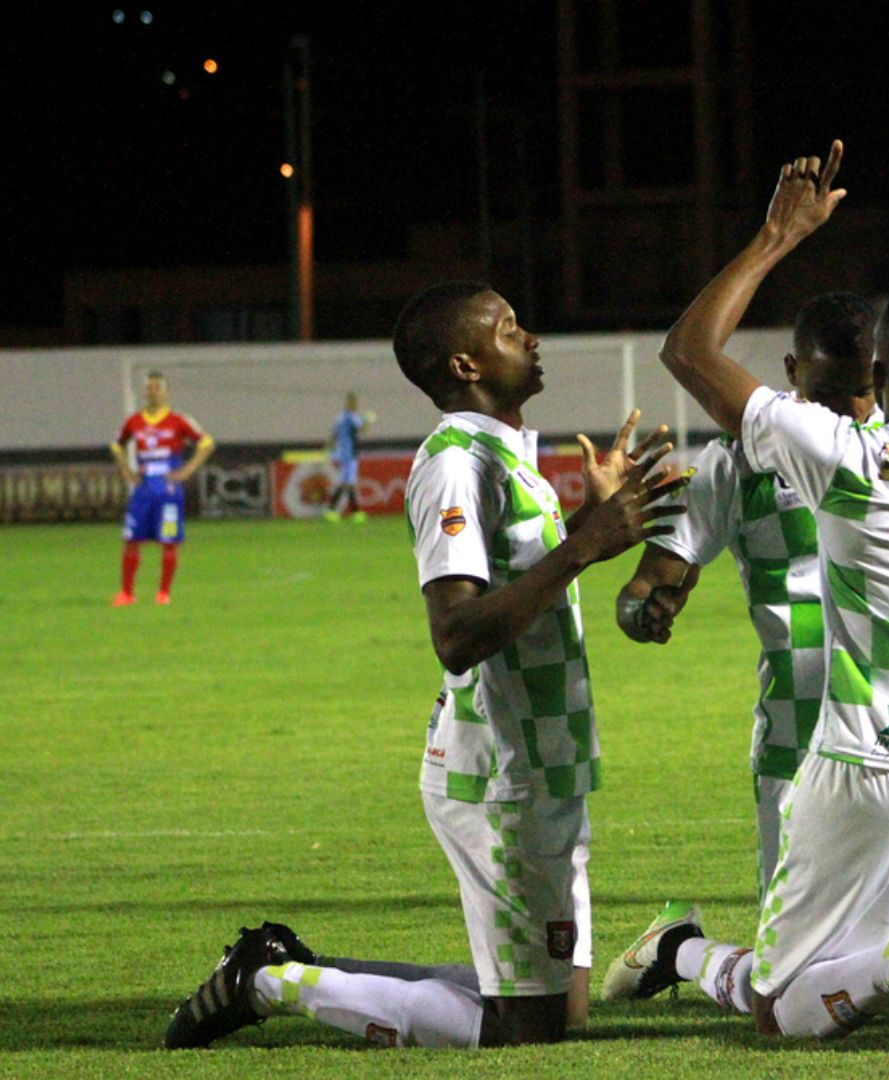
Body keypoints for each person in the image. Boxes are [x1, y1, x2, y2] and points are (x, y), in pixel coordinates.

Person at [604, 137, 889, 1050]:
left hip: (859, 758)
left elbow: (688, 350)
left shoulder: (843, 460)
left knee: (787, 1001)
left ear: (881, 381)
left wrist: (779, 235)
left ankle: (723, 954)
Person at [162, 281, 685, 1050]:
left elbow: (517, 584)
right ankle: (266, 981)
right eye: (510, 329)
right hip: (501, 768)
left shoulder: (504, 453)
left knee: (559, 1009)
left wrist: (584, 522)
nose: (531, 337)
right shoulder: (452, 462)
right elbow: (457, 631)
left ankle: (289, 965)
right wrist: (585, 544)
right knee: (525, 1032)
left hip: (541, 756)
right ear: (468, 362)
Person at [609, 291, 880, 906]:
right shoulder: (739, 463)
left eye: (860, 391)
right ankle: (678, 951)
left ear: (882, 375)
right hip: (797, 738)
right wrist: (644, 609)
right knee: (789, 965)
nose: (847, 410)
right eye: (829, 392)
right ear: (791, 373)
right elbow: (650, 581)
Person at [110, 371, 214, 606]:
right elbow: (116, 445)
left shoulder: (179, 420)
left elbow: (206, 444)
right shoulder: (134, 421)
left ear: (166, 392)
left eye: (158, 387)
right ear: (144, 392)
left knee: (169, 540)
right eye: (150, 387)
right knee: (131, 538)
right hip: (144, 488)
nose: (154, 391)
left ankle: (163, 593)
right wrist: (126, 470)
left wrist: (187, 470)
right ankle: (127, 593)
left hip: (168, 490)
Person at [324, 391, 375, 522]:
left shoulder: (340, 417)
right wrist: (368, 421)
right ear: (350, 403)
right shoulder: (351, 417)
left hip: (341, 453)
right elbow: (361, 429)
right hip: (349, 453)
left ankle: (346, 511)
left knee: (347, 482)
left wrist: (329, 450)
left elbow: (333, 435)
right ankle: (340, 510)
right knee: (348, 482)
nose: (355, 404)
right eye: (353, 402)